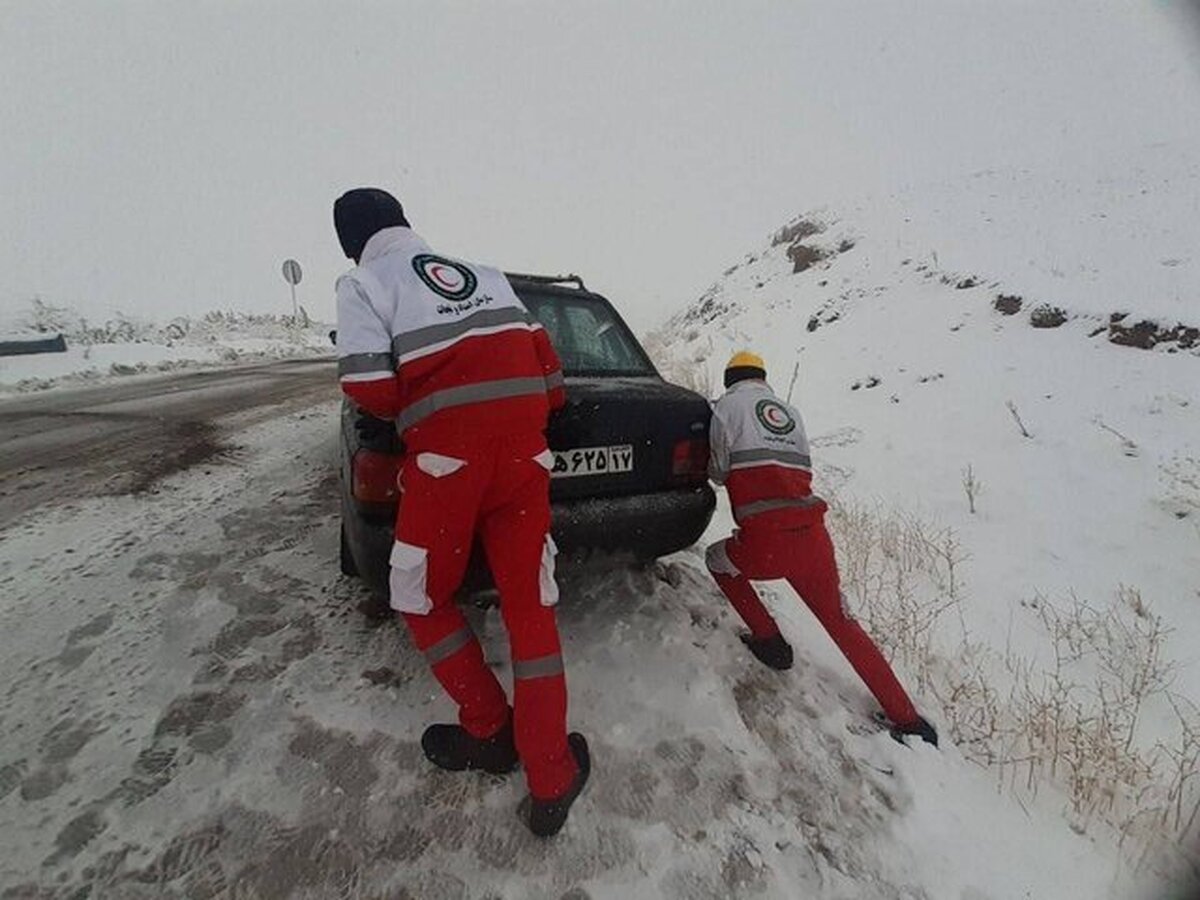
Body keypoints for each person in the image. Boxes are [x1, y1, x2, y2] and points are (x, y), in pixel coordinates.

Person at [332, 187, 589, 835]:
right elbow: (551, 378)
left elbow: (367, 386)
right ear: (406, 222)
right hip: (525, 463)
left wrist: (428, 409)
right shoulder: (487, 274)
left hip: (446, 467)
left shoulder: (363, 284)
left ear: (350, 241)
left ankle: (489, 730)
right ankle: (551, 774)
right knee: (532, 609)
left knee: (418, 594)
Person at [704, 351, 938, 746]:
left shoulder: (726, 408)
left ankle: (770, 642)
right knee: (842, 623)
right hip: (814, 538)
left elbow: (717, 472)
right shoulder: (791, 413)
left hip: (764, 542)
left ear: (730, 380)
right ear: (763, 378)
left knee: (717, 559)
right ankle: (909, 720)